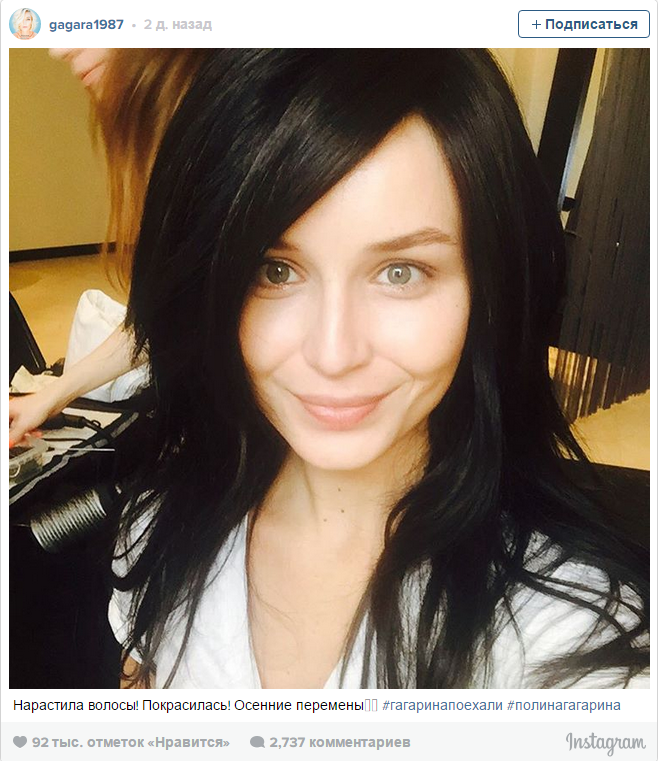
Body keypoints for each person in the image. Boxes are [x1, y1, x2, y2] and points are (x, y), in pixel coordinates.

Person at [109, 49, 648, 690]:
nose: (334, 354)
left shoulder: (567, 635)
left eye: (401, 272)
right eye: (275, 271)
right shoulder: (160, 523)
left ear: (489, 289)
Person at [8, 49, 210, 446]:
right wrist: (51, 395)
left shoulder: (243, 142)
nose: (58, 49)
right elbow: (162, 319)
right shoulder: (181, 144)